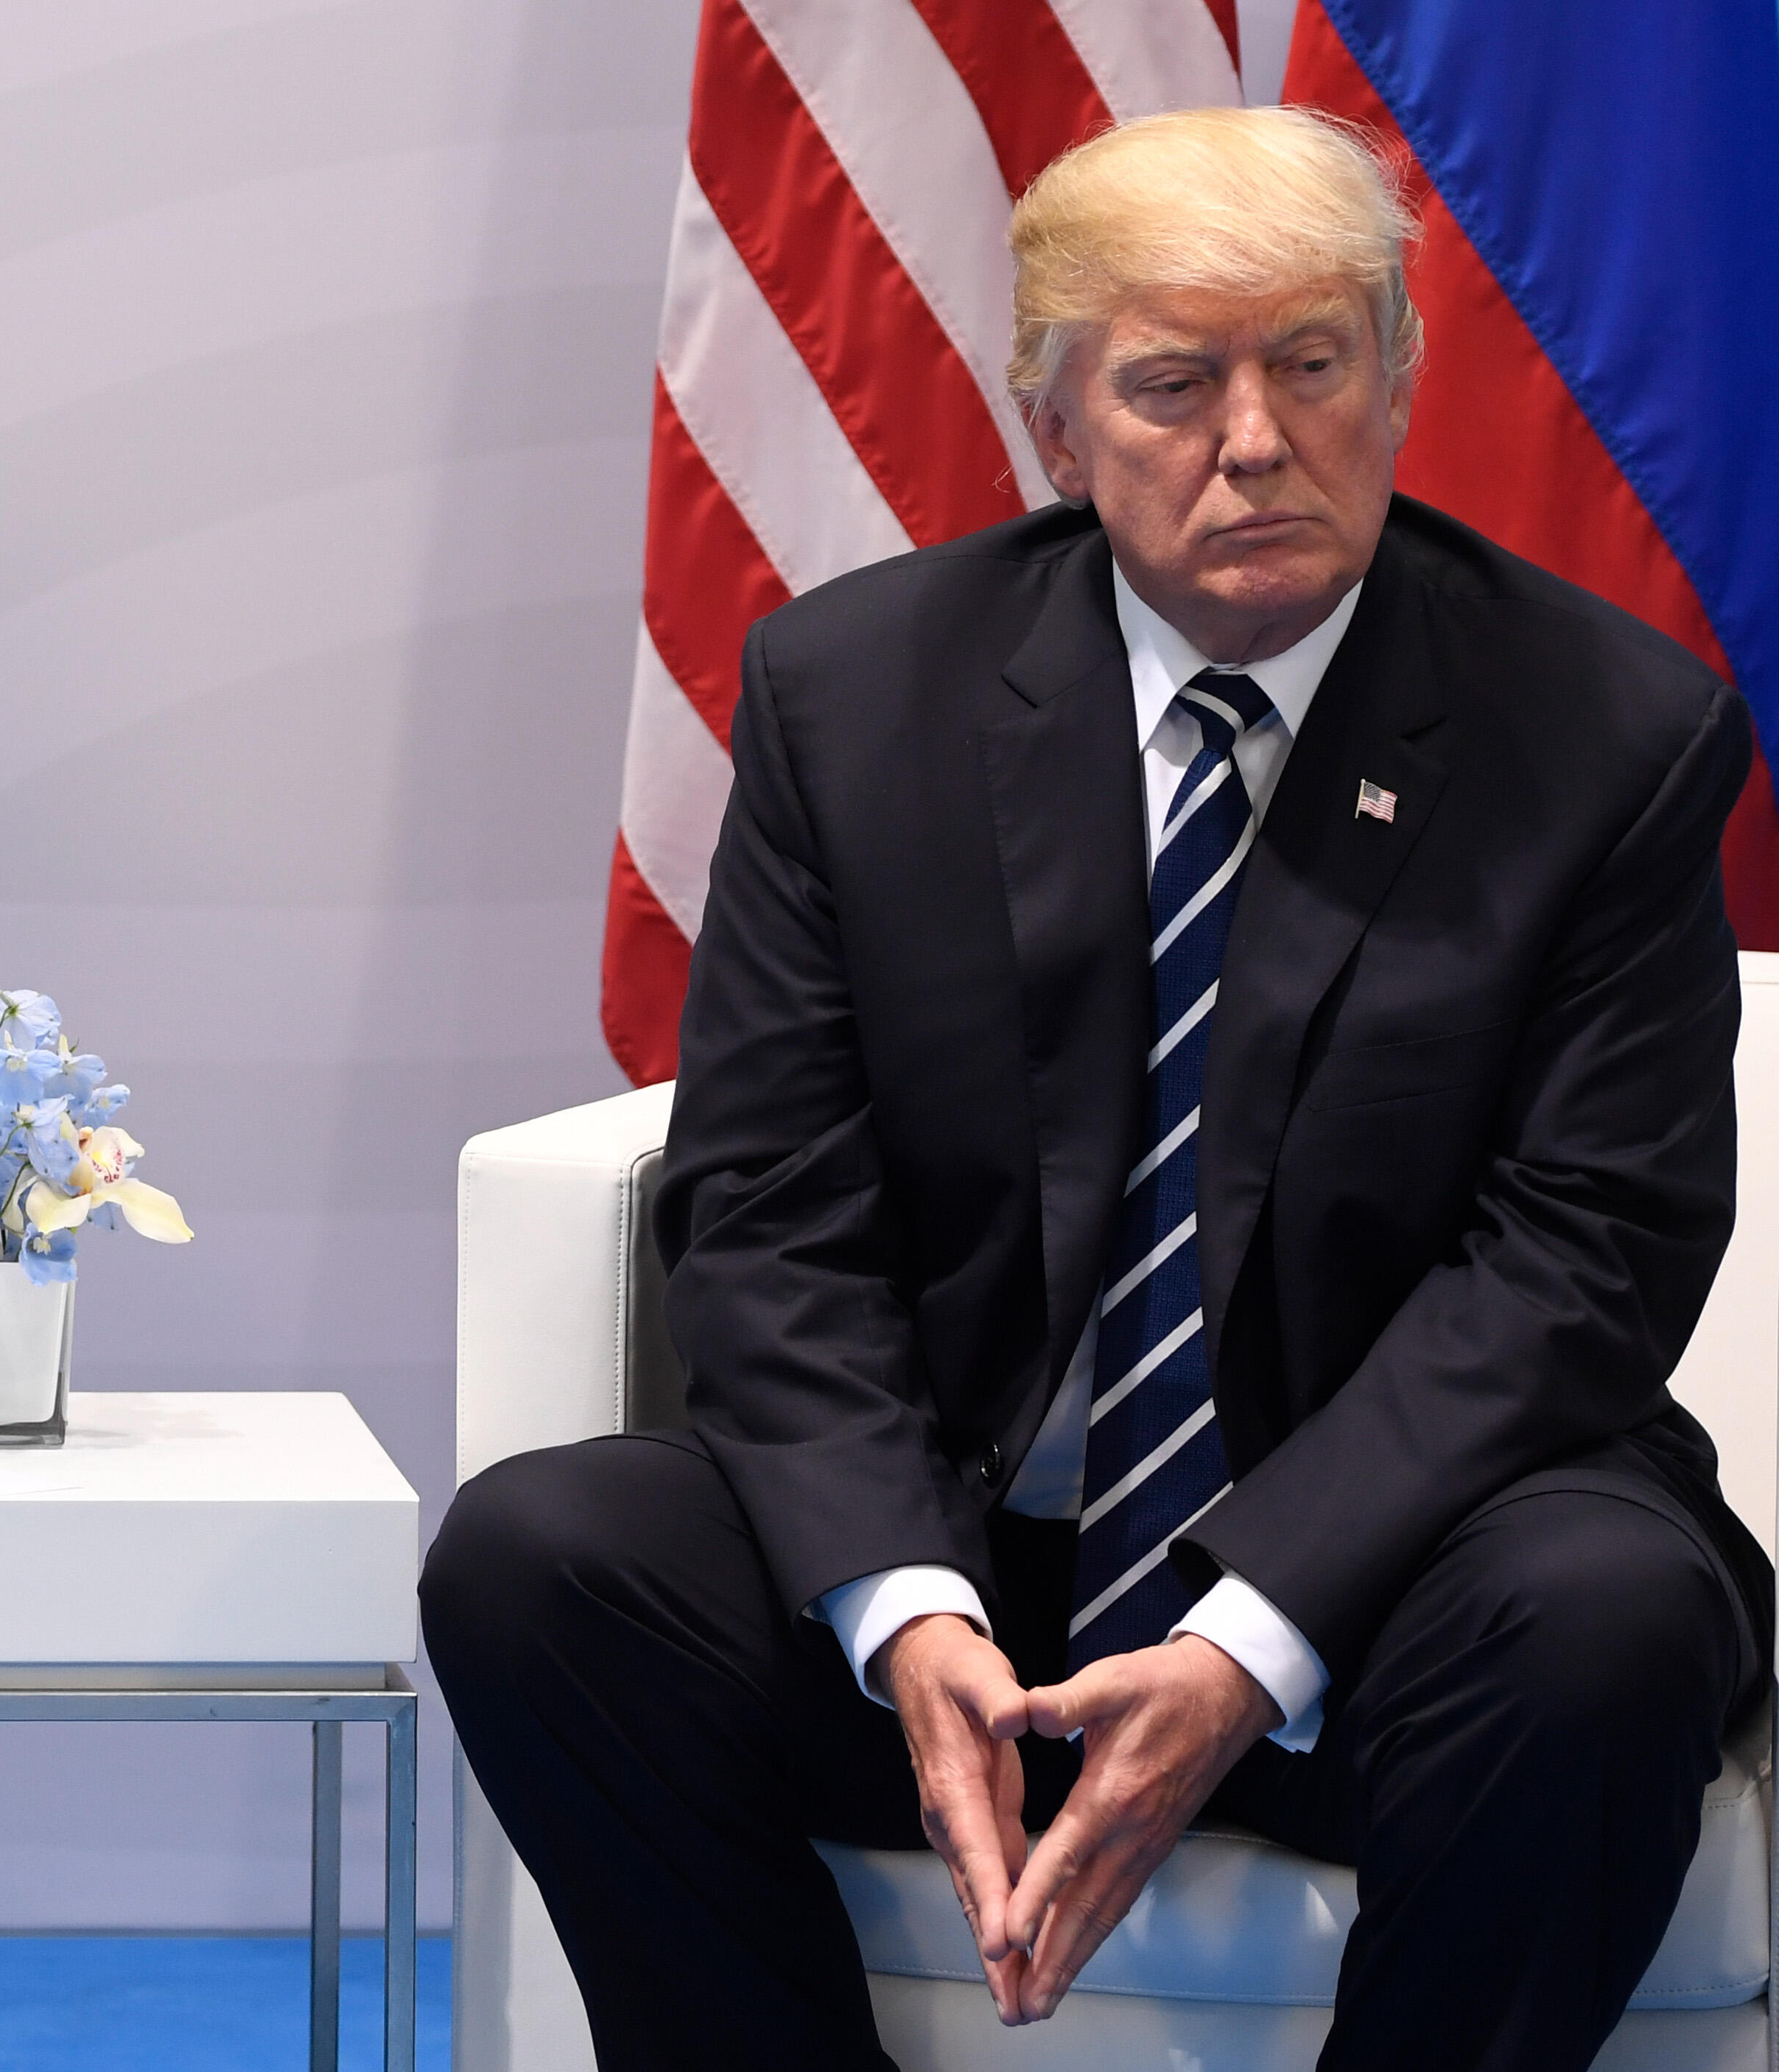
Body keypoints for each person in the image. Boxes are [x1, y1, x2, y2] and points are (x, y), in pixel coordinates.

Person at [421, 106, 1772, 2071]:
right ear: (1054, 426)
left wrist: (1248, 1636)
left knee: (1612, 1618)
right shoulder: (857, 694)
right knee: (542, 1561)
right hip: (973, 1542)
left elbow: (1583, 1257)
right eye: (1172, 381)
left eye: (1313, 360)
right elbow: (770, 1209)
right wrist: (908, 1613)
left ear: (1398, 377)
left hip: (1393, 1572)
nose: (1253, 437)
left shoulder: (1609, 735)